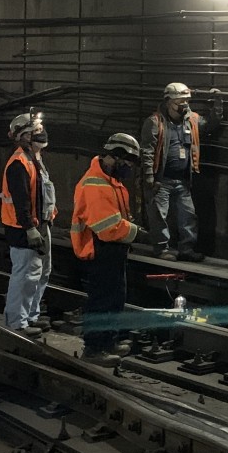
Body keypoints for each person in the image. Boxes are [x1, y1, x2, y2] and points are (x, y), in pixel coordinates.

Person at [70, 133, 143, 360]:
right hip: (101, 249)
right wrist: (136, 233)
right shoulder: (95, 184)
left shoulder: (111, 182)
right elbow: (107, 228)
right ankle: (94, 348)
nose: (130, 167)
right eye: (128, 161)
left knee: (114, 298)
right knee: (102, 300)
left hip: (113, 249)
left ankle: (108, 342)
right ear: (115, 157)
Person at [140, 82, 222, 262]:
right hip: (162, 180)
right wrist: (149, 177)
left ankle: (186, 249)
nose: (185, 105)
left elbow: (210, 125)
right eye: (181, 102)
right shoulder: (155, 122)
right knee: (159, 216)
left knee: (188, 216)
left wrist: (217, 103)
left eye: (186, 101)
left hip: (183, 180)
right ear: (169, 101)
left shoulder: (191, 119)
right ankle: (161, 249)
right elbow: (147, 151)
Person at [0, 111, 56, 338]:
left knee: (41, 272)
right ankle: (17, 322)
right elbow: (21, 200)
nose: (41, 134)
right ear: (24, 137)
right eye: (36, 131)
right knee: (24, 275)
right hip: (23, 228)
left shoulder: (36, 159)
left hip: (41, 224)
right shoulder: (18, 164)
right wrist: (30, 228)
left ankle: (31, 315)